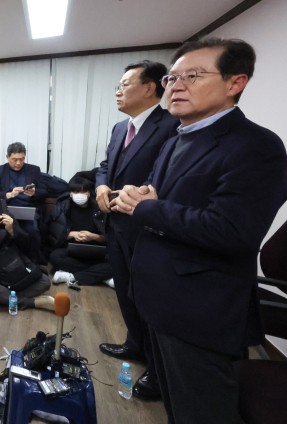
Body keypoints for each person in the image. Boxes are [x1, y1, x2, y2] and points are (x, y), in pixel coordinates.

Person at [112, 38, 287, 423]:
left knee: (203, 412)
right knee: (177, 406)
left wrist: (148, 207)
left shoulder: (257, 146)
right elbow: (161, 199)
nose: (176, 85)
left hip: (198, 309)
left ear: (235, 83)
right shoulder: (177, 137)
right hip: (157, 298)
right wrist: (144, 197)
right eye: (173, 77)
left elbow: (232, 231)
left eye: (192, 75)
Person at [94, 60, 179, 401]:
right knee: (125, 292)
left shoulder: (171, 126)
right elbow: (104, 166)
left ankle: (158, 372)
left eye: (125, 84)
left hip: (147, 228)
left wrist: (141, 193)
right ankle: (134, 344)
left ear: (149, 88)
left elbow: (166, 177)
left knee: (150, 301)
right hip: (116, 225)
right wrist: (101, 186)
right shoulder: (119, 128)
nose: (118, 89)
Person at [0, 187, 53, 311]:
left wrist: (12, 229)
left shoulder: (5, 214)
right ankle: (32, 302)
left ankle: (0, 298)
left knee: (45, 282)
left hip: (12, 263)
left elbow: (27, 245)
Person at [47, 177, 112, 286]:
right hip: (71, 251)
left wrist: (94, 237)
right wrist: (71, 234)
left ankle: (72, 276)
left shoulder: (99, 209)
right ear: (70, 194)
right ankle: (100, 276)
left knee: (116, 263)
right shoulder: (63, 208)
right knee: (54, 257)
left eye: (83, 191)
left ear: (89, 193)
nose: (79, 195)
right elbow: (53, 235)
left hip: (96, 252)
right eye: (76, 192)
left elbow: (110, 237)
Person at [0, 142, 46, 263]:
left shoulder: (34, 170)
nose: (18, 163)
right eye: (14, 159)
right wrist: (9, 194)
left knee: (32, 230)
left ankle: (33, 262)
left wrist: (34, 192)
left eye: (22, 159)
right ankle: (7, 261)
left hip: (28, 210)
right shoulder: (0, 170)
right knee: (1, 232)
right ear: (7, 157)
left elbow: (44, 191)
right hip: (6, 210)